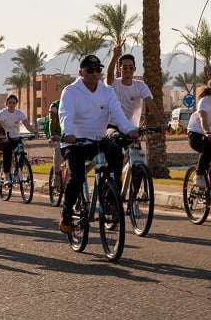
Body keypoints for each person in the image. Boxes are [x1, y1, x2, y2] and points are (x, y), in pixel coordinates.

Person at [58, 55, 138, 234]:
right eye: (90, 70)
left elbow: (118, 115)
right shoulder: (70, 91)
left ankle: (110, 200)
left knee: (116, 154)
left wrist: (129, 129)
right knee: (77, 178)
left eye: (98, 70)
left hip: (98, 141)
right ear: (81, 72)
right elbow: (66, 114)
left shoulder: (107, 91)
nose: (95, 74)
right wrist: (68, 133)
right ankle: (66, 213)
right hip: (75, 142)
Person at [106, 42, 162, 128]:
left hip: (130, 128)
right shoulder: (114, 83)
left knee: (135, 141)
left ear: (134, 69)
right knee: (114, 135)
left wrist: (161, 121)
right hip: (112, 126)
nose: (128, 70)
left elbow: (150, 104)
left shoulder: (140, 86)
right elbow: (109, 74)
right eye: (125, 67)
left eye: (131, 67)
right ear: (120, 69)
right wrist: (115, 56)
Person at [0, 94, 37, 185]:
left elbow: (26, 124)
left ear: (16, 104)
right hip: (4, 138)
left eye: (14, 103)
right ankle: (7, 177)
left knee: (21, 152)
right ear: (6, 103)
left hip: (16, 137)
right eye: (10, 102)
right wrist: (2, 137)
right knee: (7, 152)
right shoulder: (2, 113)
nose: (12, 104)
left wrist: (34, 132)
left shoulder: (19, 113)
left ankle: (19, 171)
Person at [46, 99, 63, 188]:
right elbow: (52, 121)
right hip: (56, 135)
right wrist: (52, 135)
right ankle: (56, 176)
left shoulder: (78, 103)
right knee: (58, 148)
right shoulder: (55, 106)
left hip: (71, 135)